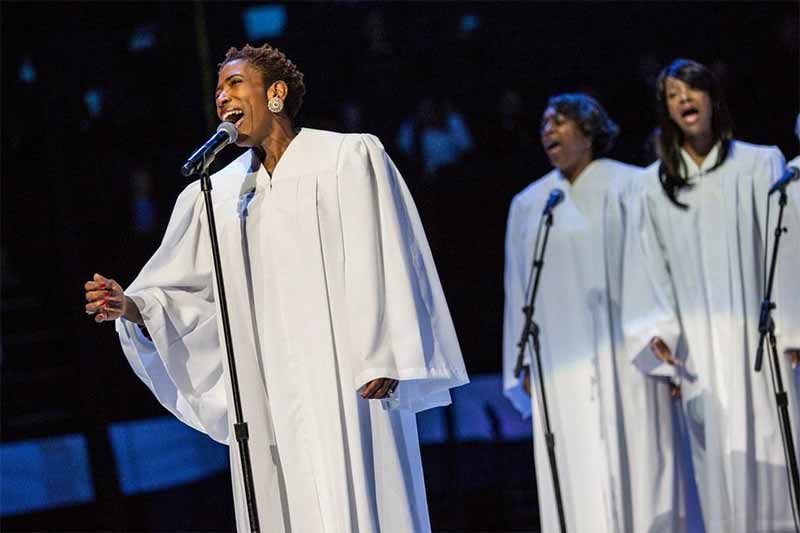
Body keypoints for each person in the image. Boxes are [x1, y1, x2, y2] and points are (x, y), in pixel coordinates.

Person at [84, 43, 468, 533]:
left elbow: (390, 252)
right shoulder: (215, 193)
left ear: (276, 93)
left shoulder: (347, 157)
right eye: (218, 90)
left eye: (235, 83)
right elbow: (185, 295)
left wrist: (385, 353)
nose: (222, 97)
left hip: (348, 376)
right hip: (266, 392)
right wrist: (133, 306)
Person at [622, 58, 800, 533]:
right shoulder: (650, 187)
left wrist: (793, 330)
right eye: (673, 94)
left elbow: (785, 251)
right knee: (717, 470)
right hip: (698, 354)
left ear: (711, 97)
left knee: (778, 454)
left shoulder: (761, 164)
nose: (684, 99)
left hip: (762, 345)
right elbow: (646, 270)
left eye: (692, 89)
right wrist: (660, 340)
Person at [502, 93, 682, 532]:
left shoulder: (632, 185)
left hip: (628, 355)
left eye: (561, 122)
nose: (549, 130)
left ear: (589, 132)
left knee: (640, 461)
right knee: (575, 467)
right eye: (544, 123)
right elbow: (517, 288)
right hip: (562, 363)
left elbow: (659, 264)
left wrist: (667, 338)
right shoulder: (532, 203)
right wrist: (519, 361)